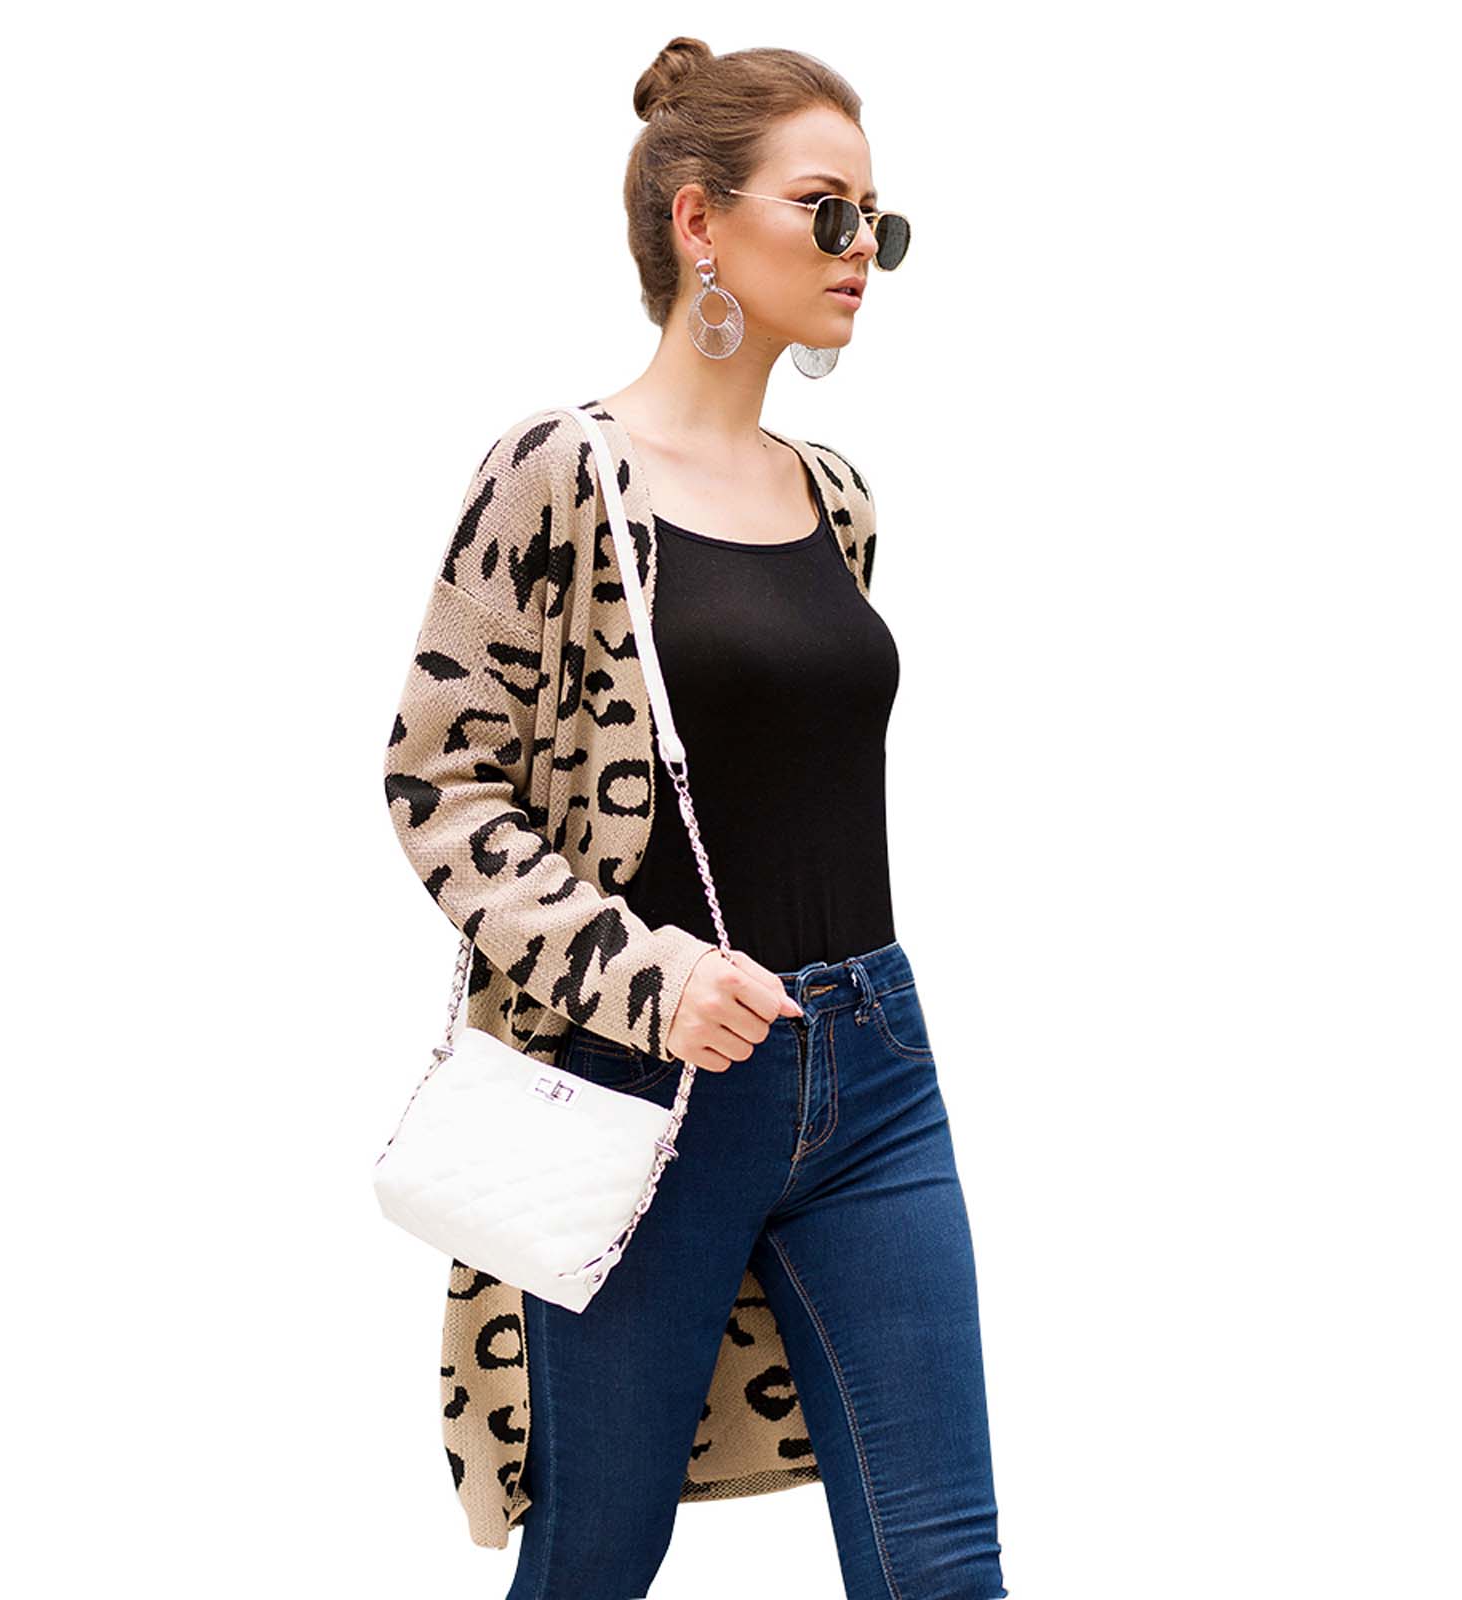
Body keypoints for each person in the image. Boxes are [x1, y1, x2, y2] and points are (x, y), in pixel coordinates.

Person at [383, 36, 1008, 1600]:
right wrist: (639, 974)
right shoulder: (560, 476)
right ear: (699, 221)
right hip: (639, 1089)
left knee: (943, 1565)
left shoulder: (836, 496)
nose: (863, 251)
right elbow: (439, 777)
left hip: (870, 1065)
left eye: (877, 222)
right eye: (828, 210)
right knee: (597, 1556)